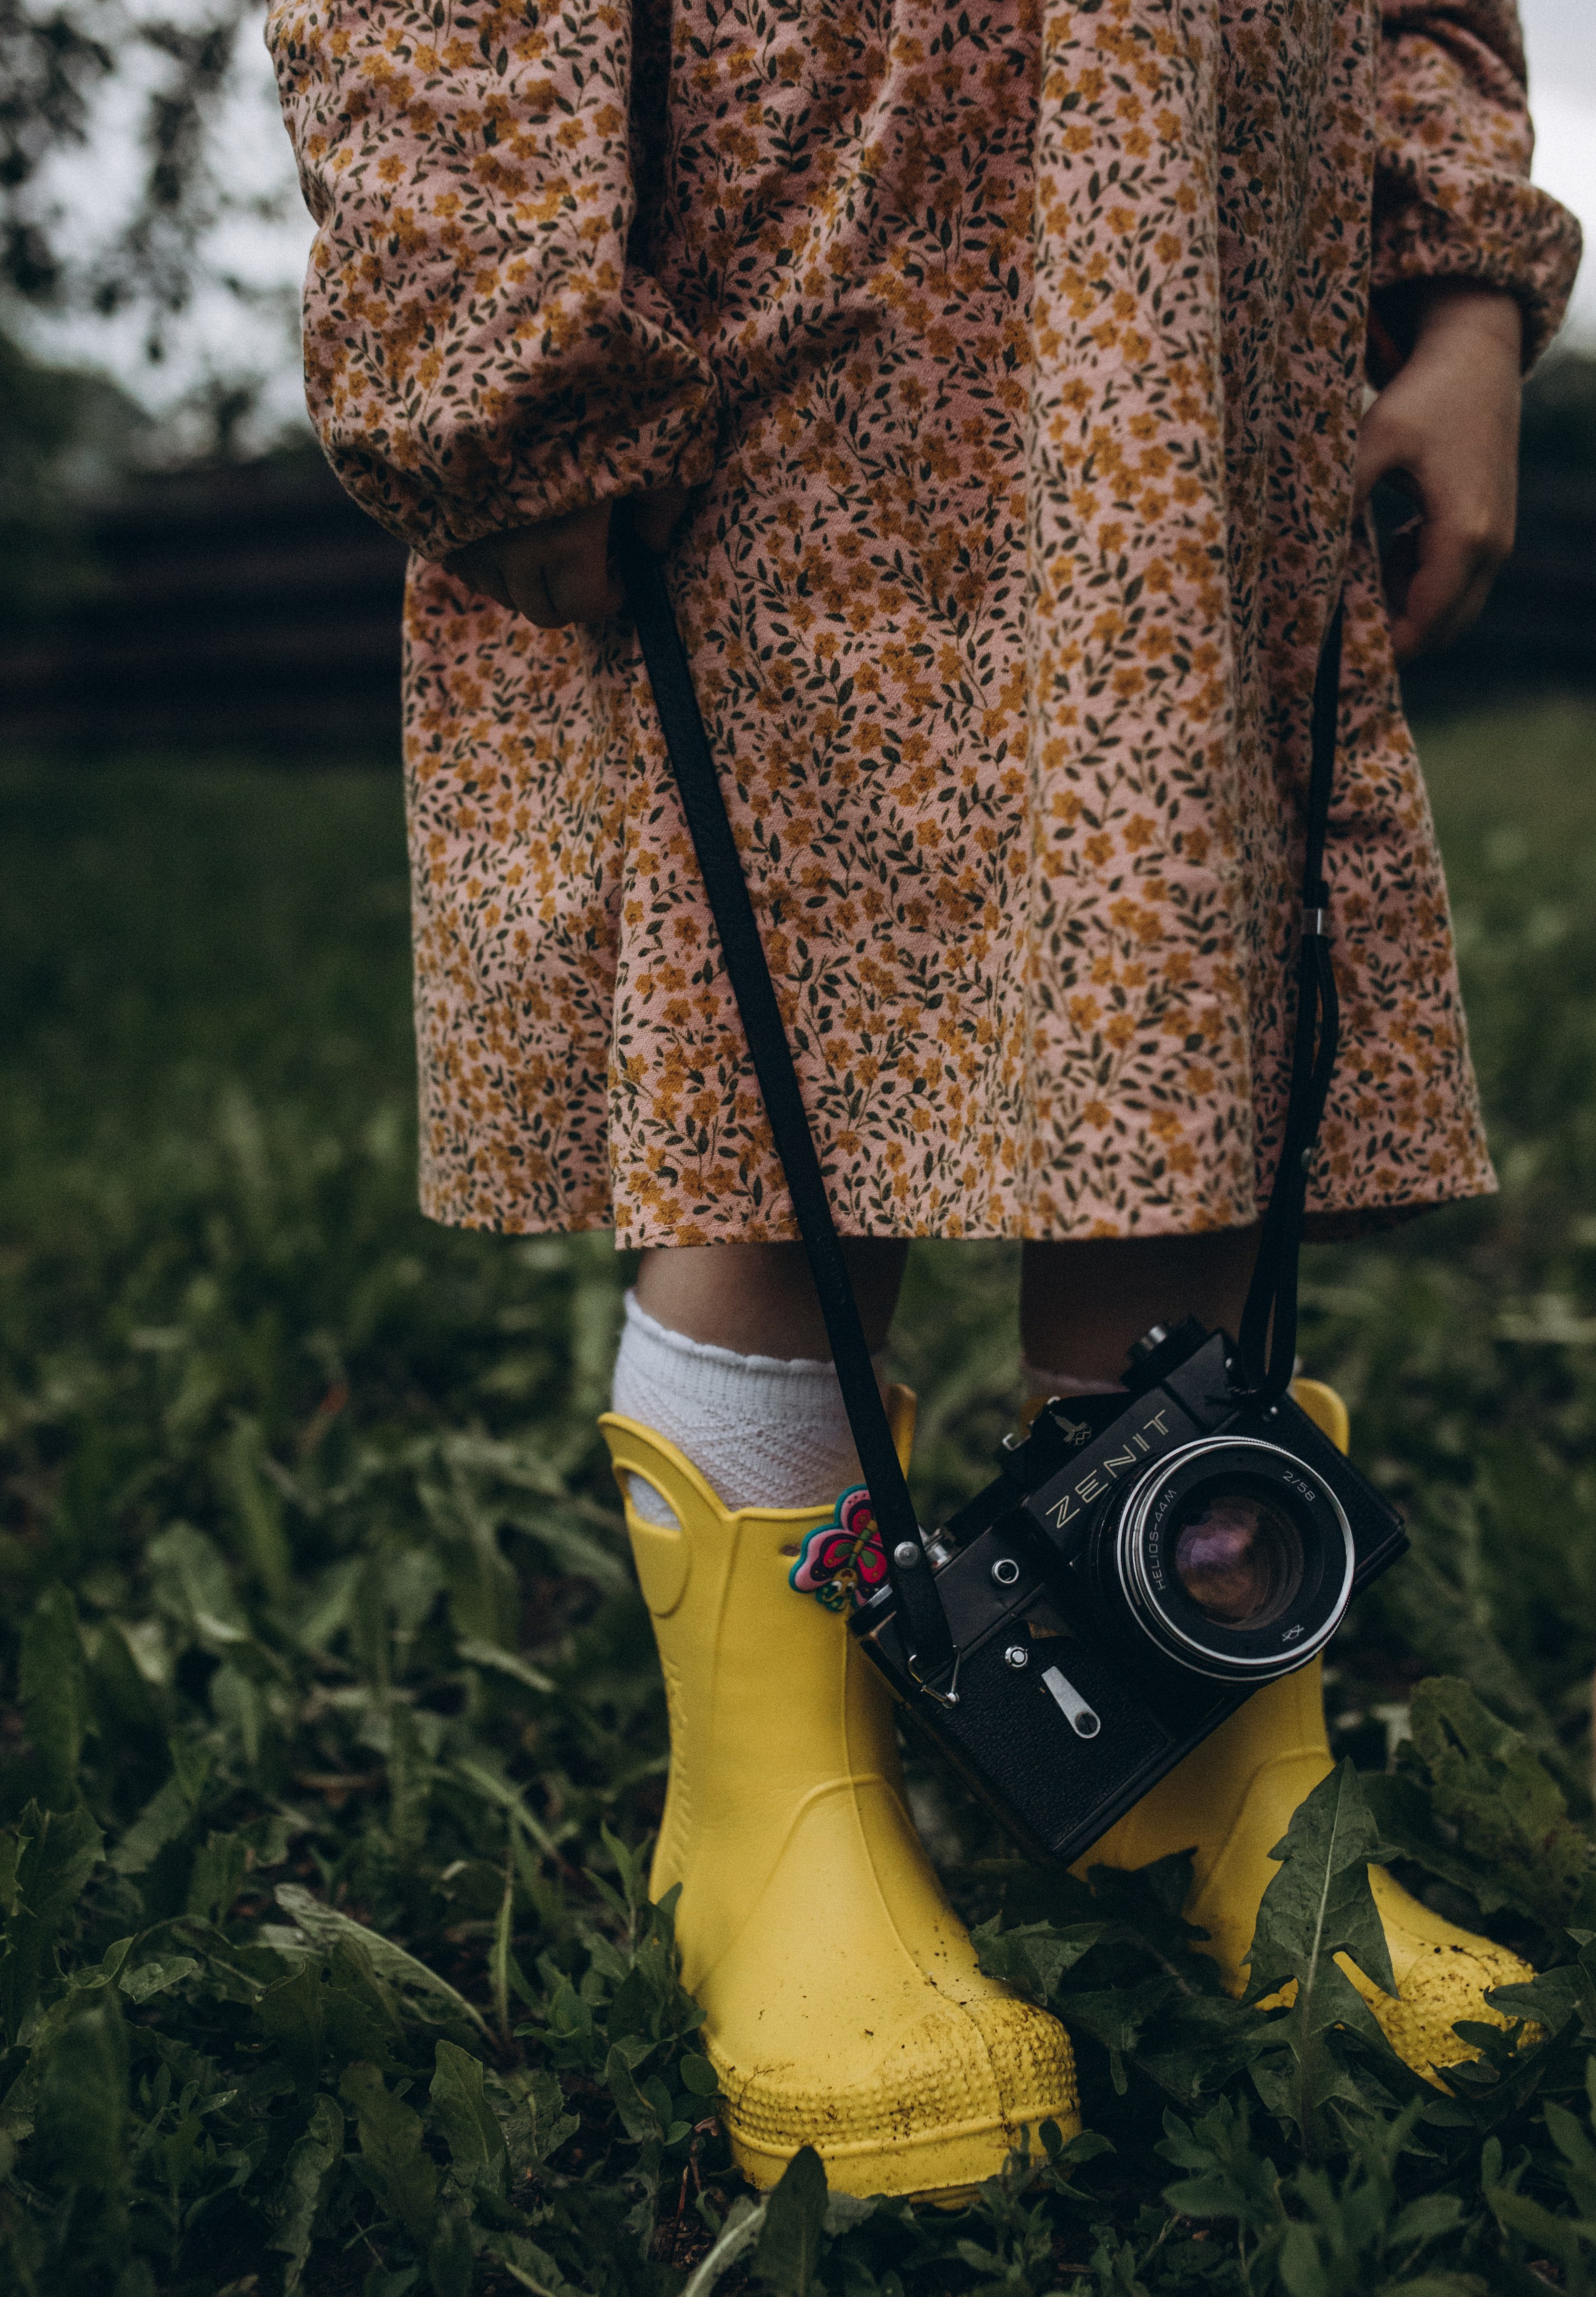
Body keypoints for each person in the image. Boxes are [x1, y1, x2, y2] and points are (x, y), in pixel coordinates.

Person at [269, 0, 1580, 2201]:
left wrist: (1454, 293)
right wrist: (486, 313)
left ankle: (1205, 1762)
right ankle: (771, 1822)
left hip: (1201, 275)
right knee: (765, 973)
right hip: (774, 248)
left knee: (1171, 971)